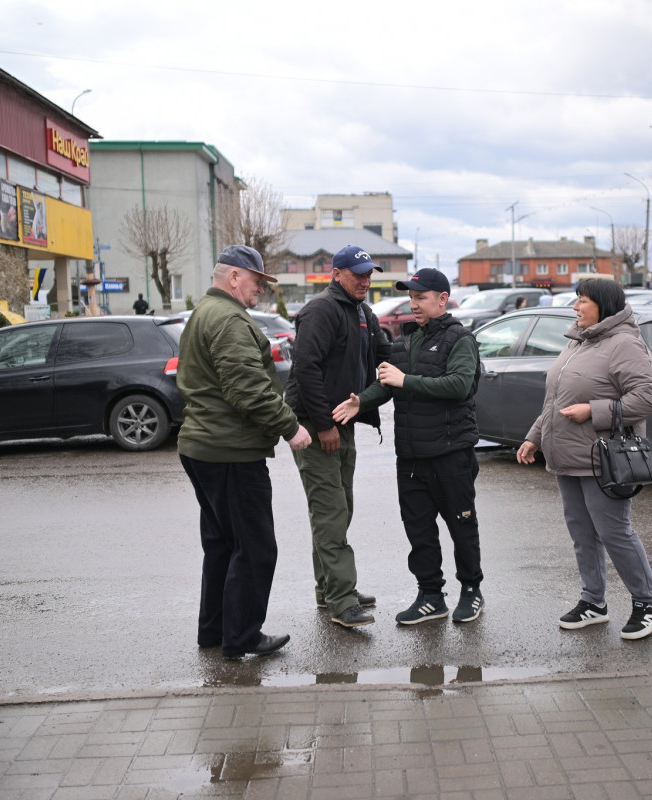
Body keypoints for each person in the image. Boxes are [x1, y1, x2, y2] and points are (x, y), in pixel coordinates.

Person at [176, 245, 312, 659]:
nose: (261, 291)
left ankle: (214, 632)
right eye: (257, 281)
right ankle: (242, 637)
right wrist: (290, 427)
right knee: (254, 547)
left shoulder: (204, 311)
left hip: (205, 446)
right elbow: (247, 389)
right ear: (234, 277)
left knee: (222, 544)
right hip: (229, 450)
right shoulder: (229, 319)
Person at [331, 267, 486, 625]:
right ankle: (431, 595)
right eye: (411, 298)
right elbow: (387, 384)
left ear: (442, 299)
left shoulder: (461, 339)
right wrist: (361, 402)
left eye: (420, 297)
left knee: (461, 526)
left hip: (451, 453)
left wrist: (406, 380)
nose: (413, 304)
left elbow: (460, 385)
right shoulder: (405, 341)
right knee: (419, 530)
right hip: (412, 456)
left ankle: (471, 591)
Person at [515, 279, 652, 640]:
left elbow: (645, 399)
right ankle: (594, 602)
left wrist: (593, 411)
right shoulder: (578, 341)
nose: (576, 307)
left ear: (603, 305)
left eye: (582, 301)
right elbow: (555, 399)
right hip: (567, 453)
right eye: (576, 300)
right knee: (582, 533)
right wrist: (534, 437)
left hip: (605, 459)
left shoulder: (624, 343)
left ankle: (648, 604)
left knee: (614, 532)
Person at [285, 245, 390, 628]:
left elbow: (384, 354)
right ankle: (342, 601)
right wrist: (324, 426)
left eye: (368, 274)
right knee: (331, 510)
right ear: (336, 274)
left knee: (339, 506)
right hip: (317, 427)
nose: (365, 280)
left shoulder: (362, 312)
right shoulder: (321, 310)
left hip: (344, 423)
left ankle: (328, 588)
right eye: (358, 273)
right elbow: (307, 370)